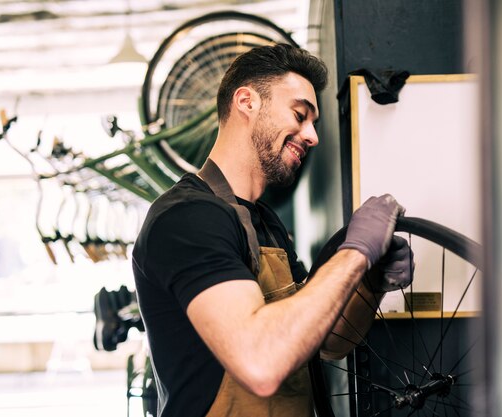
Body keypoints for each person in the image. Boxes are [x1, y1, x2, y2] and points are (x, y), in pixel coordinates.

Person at [132, 43, 413, 417]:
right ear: (247, 102)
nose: (312, 136)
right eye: (300, 115)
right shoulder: (187, 217)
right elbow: (260, 364)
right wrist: (356, 252)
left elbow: (327, 341)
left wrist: (369, 279)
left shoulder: (265, 222)